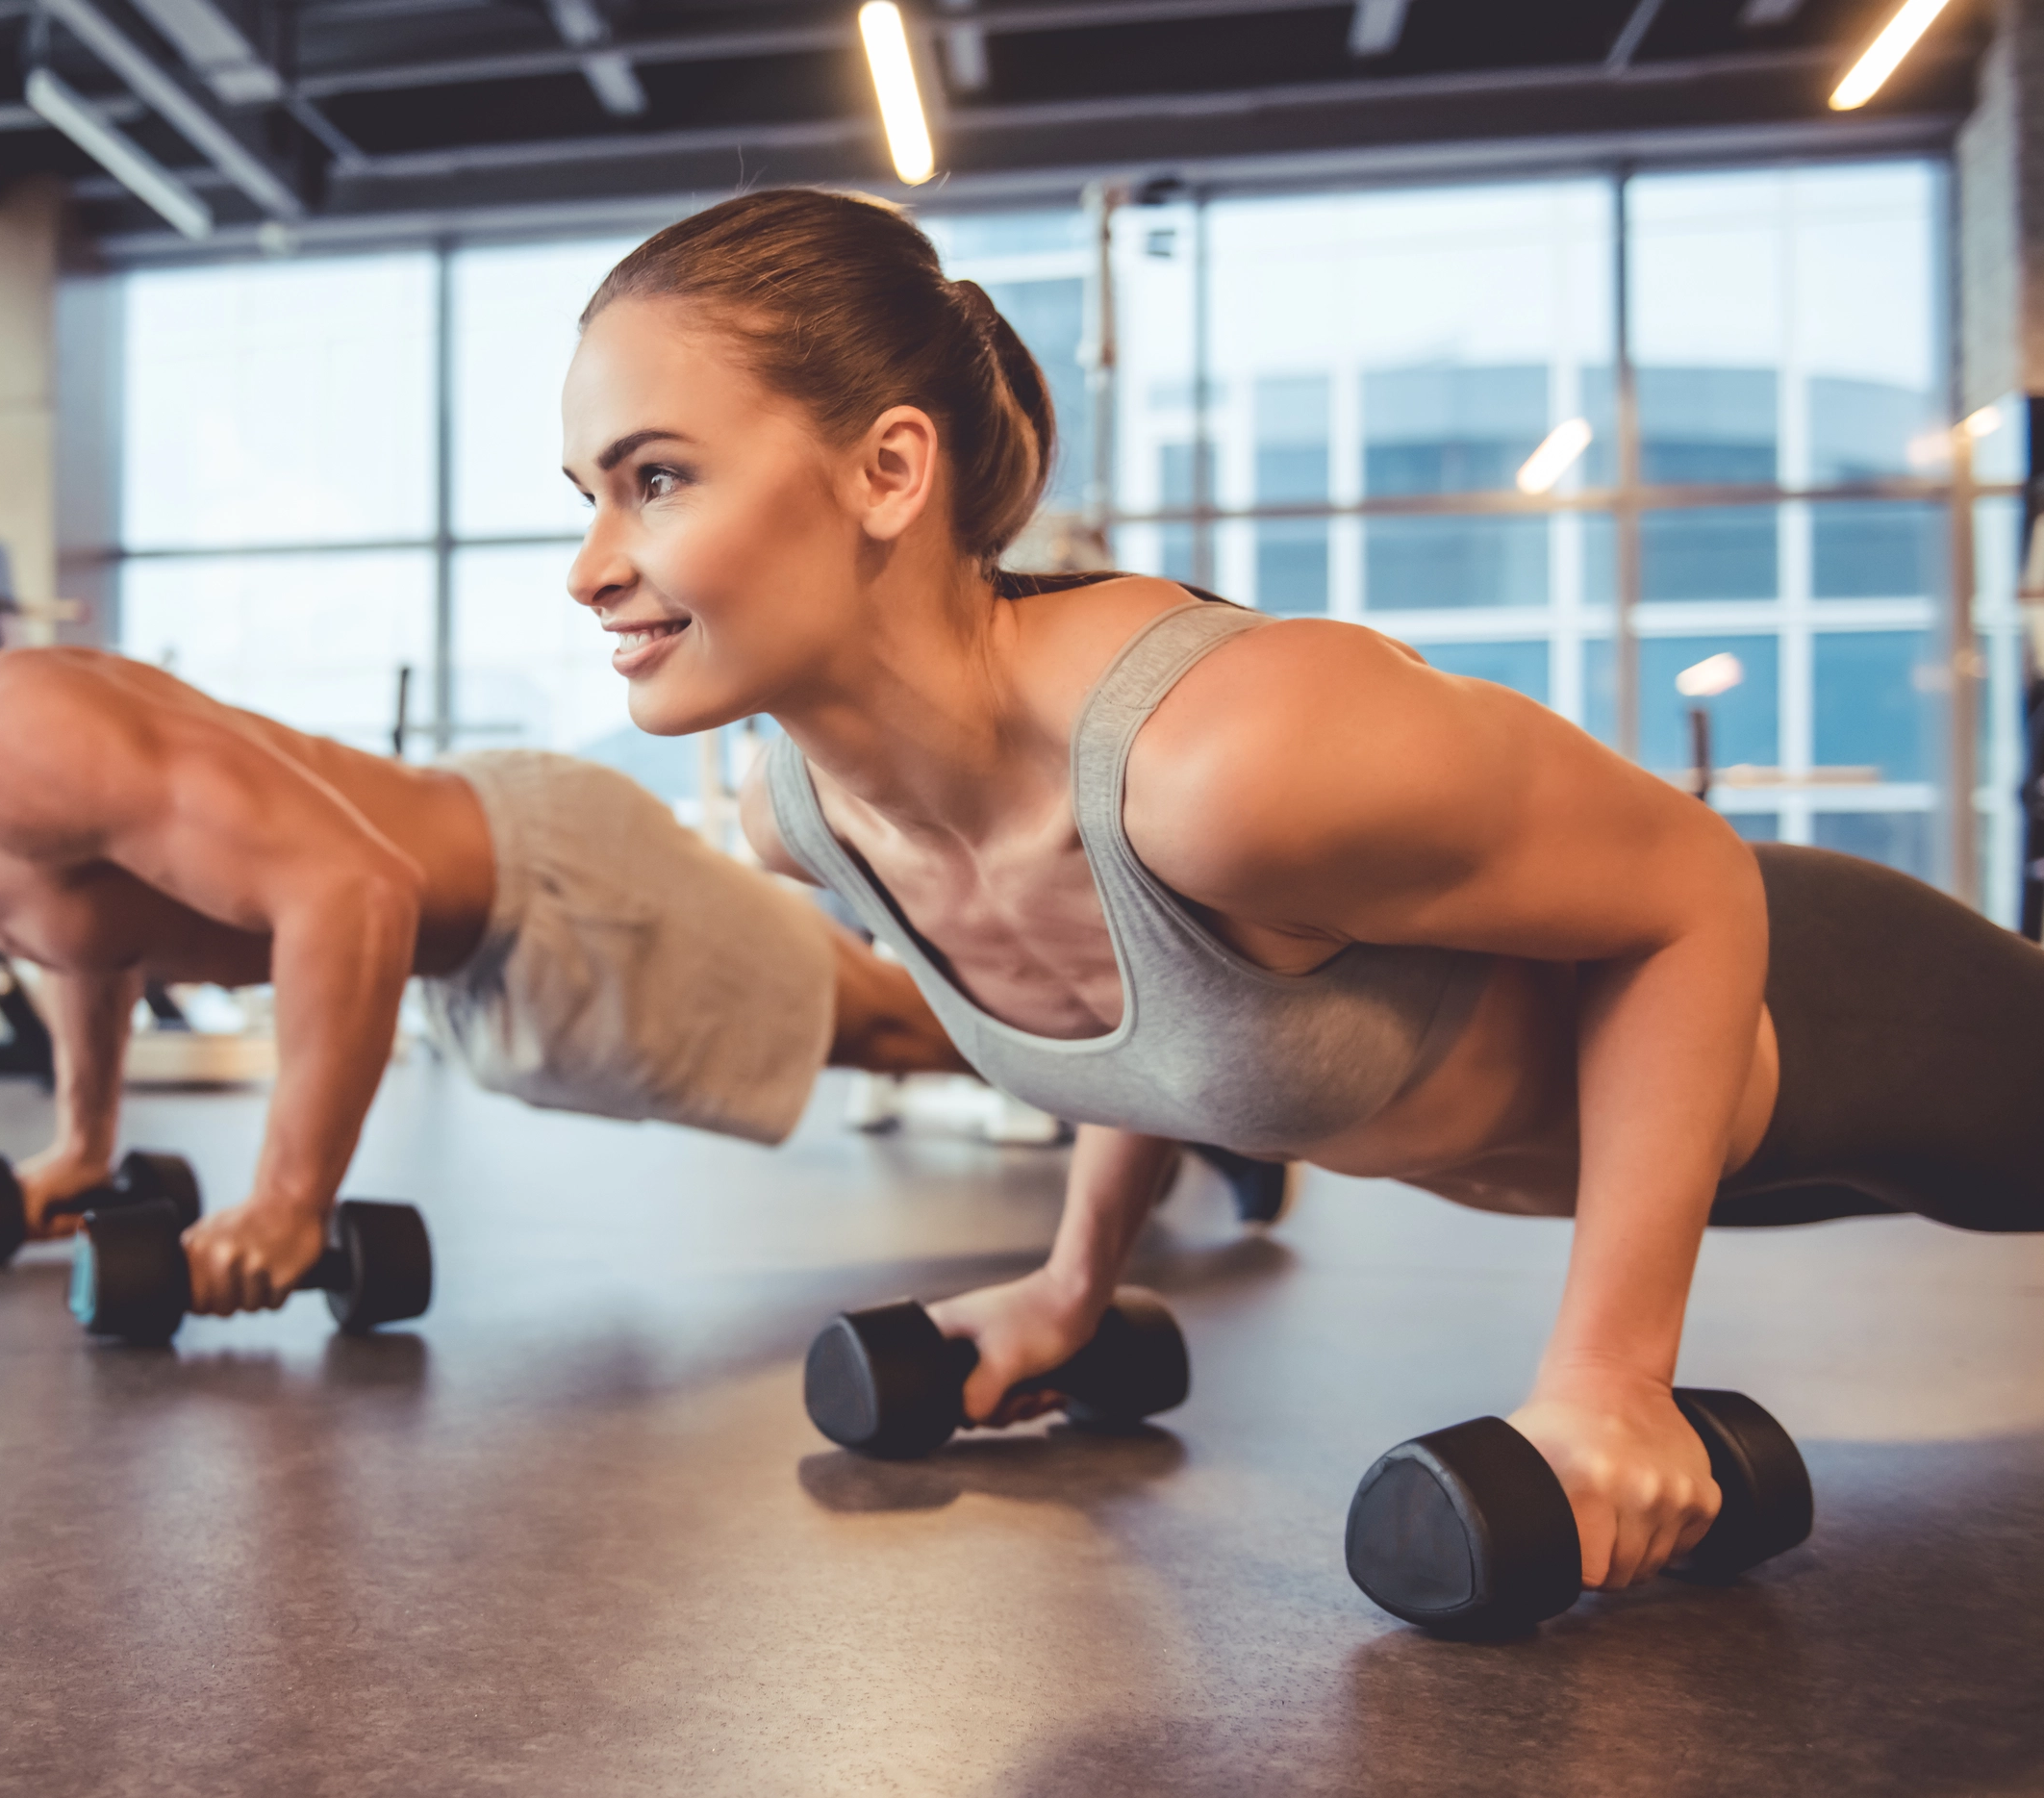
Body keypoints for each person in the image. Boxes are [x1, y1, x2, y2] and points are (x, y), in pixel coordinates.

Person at [558, 188, 2044, 1598]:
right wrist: (1071, 1288)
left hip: (1841, 1025)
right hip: (1660, 1165)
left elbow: (1694, 884)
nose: (590, 566)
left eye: (657, 480)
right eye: (588, 497)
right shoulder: (813, 819)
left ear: (889, 470)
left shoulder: (1233, 760)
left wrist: (1609, 1380)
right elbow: (1125, 1019)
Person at [0, 496, 974, 1312]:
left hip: (550, 883)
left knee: (906, 1032)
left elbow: (350, 887)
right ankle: (1130, 1084)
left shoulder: (5, 731)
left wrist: (293, 1203)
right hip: (490, 942)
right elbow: (87, 938)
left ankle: (1155, 1084)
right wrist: (81, 1145)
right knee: (898, 1024)